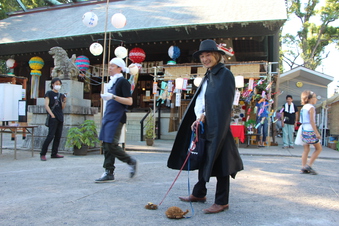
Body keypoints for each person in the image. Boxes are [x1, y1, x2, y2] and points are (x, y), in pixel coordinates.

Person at [167, 40, 243, 214]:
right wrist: (199, 117)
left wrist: (206, 116)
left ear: (216, 55)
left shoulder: (224, 75)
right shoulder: (209, 75)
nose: (205, 58)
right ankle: (199, 193)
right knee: (203, 156)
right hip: (206, 125)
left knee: (221, 161)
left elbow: (223, 104)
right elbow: (203, 99)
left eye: (208, 55)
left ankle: (222, 201)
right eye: (202, 56)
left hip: (218, 126)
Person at [95, 58, 137, 183]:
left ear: (119, 68)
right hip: (108, 115)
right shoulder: (111, 82)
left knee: (111, 144)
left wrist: (113, 96)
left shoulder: (123, 82)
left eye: (112, 66)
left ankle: (130, 161)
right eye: (109, 66)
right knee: (106, 144)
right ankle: (108, 171)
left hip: (117, 117)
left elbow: (129, 101)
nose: (109, 68)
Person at [40, 77, 66, 161]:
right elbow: (46, 105)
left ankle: (54, 153)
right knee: (50, 136)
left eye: (59, 84)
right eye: (56, 84)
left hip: (60, 117)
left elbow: (62, 107)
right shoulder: (49, 93)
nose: (58, 85)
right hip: (53, 117)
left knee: (58, 136)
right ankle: (43, 153)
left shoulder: (60, 95)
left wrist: (64, 101)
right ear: (52, 84)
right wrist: (51, 115)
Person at [299, 90, 322, 175]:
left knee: (306, 149)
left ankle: (303, 167)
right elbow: (312, 120)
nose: (316, 99)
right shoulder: (311, 107)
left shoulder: (303, 107)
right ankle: (309, 165)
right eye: (315, 97)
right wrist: (317, 133)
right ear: (310, 99)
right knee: (318, 148)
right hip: (310, 129)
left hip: (303, 128)